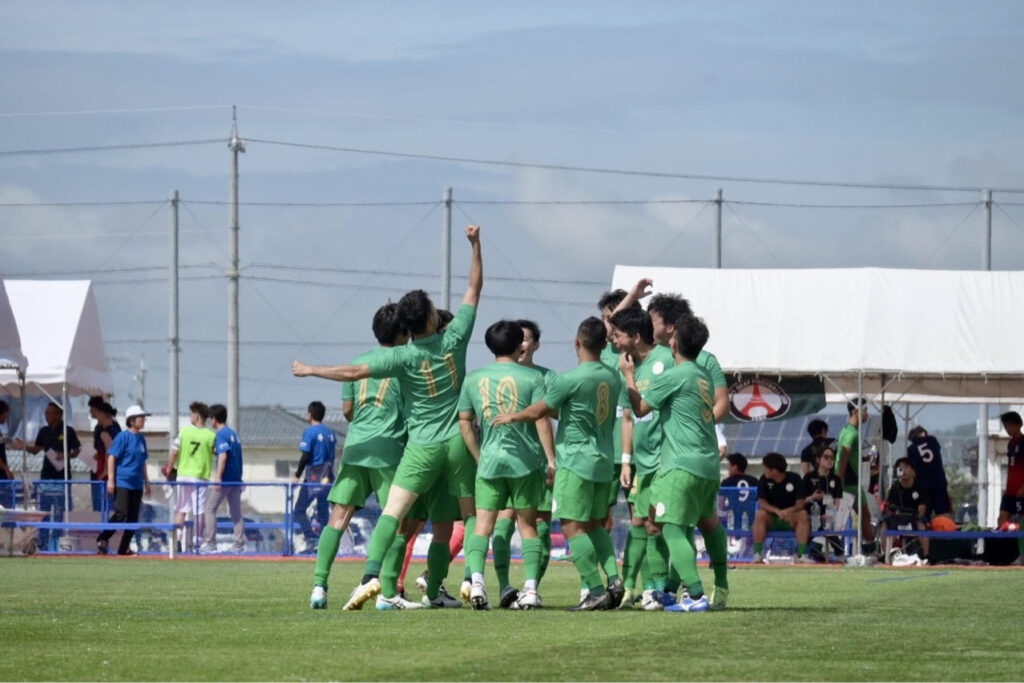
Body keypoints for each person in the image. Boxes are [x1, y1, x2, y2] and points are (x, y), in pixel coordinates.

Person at [293, 224, 482, 611]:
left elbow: (353, 375)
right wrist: (475, 245)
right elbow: (474, 287)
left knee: (387, 514)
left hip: (406, 446)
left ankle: (363, 580)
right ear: (432, 317)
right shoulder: (454, 338)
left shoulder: (400, 358)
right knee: (463, 518)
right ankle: (468, 581)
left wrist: (311, 369)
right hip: (451, 443)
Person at [493, 316, 623, 611]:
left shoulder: (569, 379)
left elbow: (539, 411)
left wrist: (513, 415)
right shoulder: (612, 376)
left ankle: (595, 590)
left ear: (577, 342)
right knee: (594, 524)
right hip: (604, 460)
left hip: (576, 461)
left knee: (571, 526)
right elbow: (568, 410)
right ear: (604, 345)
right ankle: (614, 580)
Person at [615, 279, 732, 606]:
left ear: (674, 335)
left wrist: (629, 377)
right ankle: (679, 588)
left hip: (680, 461)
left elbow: (640, 409)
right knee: (698, 523)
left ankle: (695, 593)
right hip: (704, 462)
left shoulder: (678, 371)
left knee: (671, 527)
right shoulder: (698, 370)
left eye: (652, 319)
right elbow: (618, 330)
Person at [307, 304, 409, 609]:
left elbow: (348, 410)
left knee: (338, 517)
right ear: (403, 332)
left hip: (355, 447)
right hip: (389, 449)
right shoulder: (405, 362)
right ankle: (386, 593)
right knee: (396, 520)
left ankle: (319, 587)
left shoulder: (356, 363)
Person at [459, 320, 555, 610]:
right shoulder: (533, 377)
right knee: (528, 527)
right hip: (525, 463)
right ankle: (530, 589)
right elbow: (541, 418)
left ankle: (477, 583)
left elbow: (465, 422)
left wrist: (479, 456)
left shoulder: (473, 378)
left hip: (490, 463)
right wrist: (551, 460)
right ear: (518, 346)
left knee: (482, 527)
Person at [608, 306, 675, 611]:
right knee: (641, 522)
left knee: (656, 524)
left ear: (635, 337)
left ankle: (660, 590)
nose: (614, 340)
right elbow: (628, 417)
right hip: (641, 462)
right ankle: (638, 588)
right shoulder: (627, 367)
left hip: (665, 458)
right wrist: (626, 460)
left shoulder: (666, 360)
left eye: (618, 335)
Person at [96, 405, 152, 555]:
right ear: (132, 420)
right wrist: (111, 480)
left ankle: (123, 549)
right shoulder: (123, 437)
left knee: (133, 519)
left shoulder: (141, 439)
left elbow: (143, 462)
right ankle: (103, 537)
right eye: (141, 418)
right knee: (121, 513)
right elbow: (111, 457)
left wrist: (147, 481)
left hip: (137, 484)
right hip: (123, 482)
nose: (143, 420)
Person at [25, 402, 81, 551]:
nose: (47, 416)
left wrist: (65, 455)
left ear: (59, 414)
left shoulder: (68, 431)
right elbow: (36, 449)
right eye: (46, 413)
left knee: (59, 512)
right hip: (46, 477)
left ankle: (56, 544)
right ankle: (42, 544)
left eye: (50, 413)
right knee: (44, 512)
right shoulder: (43, 431)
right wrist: (23, 446)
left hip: (62, 478)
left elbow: (77, 450)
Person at [167, 402, 214, 553]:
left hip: (183, 475)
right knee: (199, 512)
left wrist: (169, 469)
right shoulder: (211, 436)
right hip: (200, 477)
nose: (190, 417)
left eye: (191, 415)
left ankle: (177, 541)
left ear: (196, 416)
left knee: (181, 509)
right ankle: (197, 542)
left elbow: (174, 452)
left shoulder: (184, 432)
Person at [752, 452, 813, 564]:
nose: (764, 471)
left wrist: (787, 511)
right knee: (760, 514)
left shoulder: (795, 478)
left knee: (803, 514)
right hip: (772, 519)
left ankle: (801, 555)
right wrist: (776, 511)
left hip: (790, 519)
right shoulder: (763, 480)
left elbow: (800, 504)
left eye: (766, 468)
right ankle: (757, 554)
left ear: (774, 470)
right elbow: (762, 502)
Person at [201, 404, 245, 554]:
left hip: (225, 479)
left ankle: (210, 543)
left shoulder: (221, 435)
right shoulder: (233, 434)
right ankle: (239, 544)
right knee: (236, 513)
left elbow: (223, 456)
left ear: (214, 419)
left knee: (209, 509)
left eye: (210, 418)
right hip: (236, 479)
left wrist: (218, 477)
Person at [293, 400, 337, 553]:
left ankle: (312, 538)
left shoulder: (310, 432)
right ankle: (324, 542)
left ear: (310, 415)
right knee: (323, 508)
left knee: (299, 510)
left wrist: (297, 475)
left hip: (313, 477)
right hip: (328, 476)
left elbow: (305, 455)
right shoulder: (330, 433)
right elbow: (332, 456)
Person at [835, 398, 875, 554]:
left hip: (852, 482)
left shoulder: (849, 430)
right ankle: (832, 551)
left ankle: (870, 549)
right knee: (842, 520)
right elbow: (843, 455)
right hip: (848, 483)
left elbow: (850, 456)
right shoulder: (851, 433)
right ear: (855, 411)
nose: (867, 414)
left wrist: (866, 458)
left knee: (864, 515)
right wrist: (839, 482)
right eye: (865, 410)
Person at [878, 457, 930, 564]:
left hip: (914, 519)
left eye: (906, 467)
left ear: (912, 470)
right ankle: (886, 555)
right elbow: (891, 507)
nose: (903, 471)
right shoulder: (895, 487)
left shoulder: (920, 487)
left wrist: (917, 518)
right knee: (884, 525)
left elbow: (922, 508)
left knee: (921, 525)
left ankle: (927, 556)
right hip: (898, 519)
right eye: (900, 469)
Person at [802, 439, 844, 561]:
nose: (830, 460)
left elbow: (837, 502)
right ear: (818, 459)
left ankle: (840, 555)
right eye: (826, 457)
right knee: (809, 524)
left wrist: (831, 513)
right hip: (811, 516)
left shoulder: (835, 479)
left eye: (832, 458)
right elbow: (801, 501)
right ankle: (803, 554)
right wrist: (812, 498)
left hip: (828, 517)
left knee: (830, 526)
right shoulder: (809, 477)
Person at [906, 426, 953, 522]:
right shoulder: (932, 440)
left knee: (924, 514)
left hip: (923, 485)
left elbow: (912, 470)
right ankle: (946, 529)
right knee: (943, 512)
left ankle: (924, 528)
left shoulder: (910, 450)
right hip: (939, 481)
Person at [997, 411, 1024, 565]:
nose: (1007, 429)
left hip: (1021, 491)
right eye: (1005, 426)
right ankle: (1006, 555)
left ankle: (1021, 555)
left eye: (1009, 425)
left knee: (1022, 521)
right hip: (1010, 491)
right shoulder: (1011, 444)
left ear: (1018, 425)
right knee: (1002, 519)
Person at [89, 401, 121, 513]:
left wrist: (106, 471)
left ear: (102, 414)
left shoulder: (105, 433)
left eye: (97, 415)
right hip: (117, 474)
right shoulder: (118, 431)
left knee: (104, 506)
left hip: (106, 476)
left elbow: (110, 452)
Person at [721, 452, 759, 532]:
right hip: (751, 521)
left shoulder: (726, 482)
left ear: (735, 467)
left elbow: (721, 504)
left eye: (729, 466)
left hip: (732, 521)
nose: (728, 469)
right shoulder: (755, 481)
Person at [0, 400, 19, 507]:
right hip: (1, 474)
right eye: (5, 414)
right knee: (6, 502)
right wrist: (6, 470)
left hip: (3, 472)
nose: (6, 417)